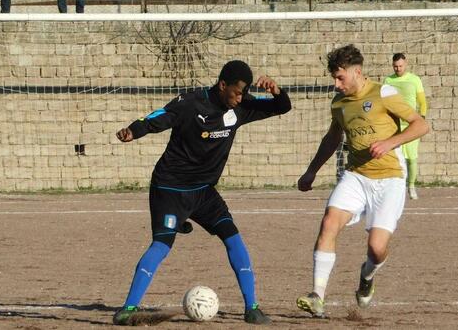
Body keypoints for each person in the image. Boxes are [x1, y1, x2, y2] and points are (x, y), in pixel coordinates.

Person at [113, 60, 291, 326]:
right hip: (170, 188)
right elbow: (156, 118)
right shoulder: (190, 103)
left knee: (233, 238)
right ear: (223, 85)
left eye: (244, 93)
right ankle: (128, 308)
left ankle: (252, 308)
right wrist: (132, 131)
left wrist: (277, 92)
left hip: (204, 191)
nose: (241, 98)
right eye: (238, 92)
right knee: (162, 245)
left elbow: (281, 108)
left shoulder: (240, 107)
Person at [295, 45, 429, 317]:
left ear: (357, 72)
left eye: (340, 77)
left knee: (376, 249)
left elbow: (420, 124)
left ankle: (367, 276)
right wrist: (312, 171)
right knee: (329, 222)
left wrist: (391, 143)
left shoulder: (384, 93)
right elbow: (333, 138)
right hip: (356, 175)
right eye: (334, 77)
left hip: (390, 179)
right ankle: (317, 296)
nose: (336, 83)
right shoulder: (339, 103)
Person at [384, 53, 428, 200]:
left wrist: (421, 118)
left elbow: (422, 102)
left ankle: (411, 186)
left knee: (411, 158)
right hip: (394, 125)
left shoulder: (414, 80)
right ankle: (398, 188)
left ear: (406, 64)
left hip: (410, 124)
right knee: (396, 158)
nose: (398, 69)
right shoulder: (388, 80)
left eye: (400, 66)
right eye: (395, 66)